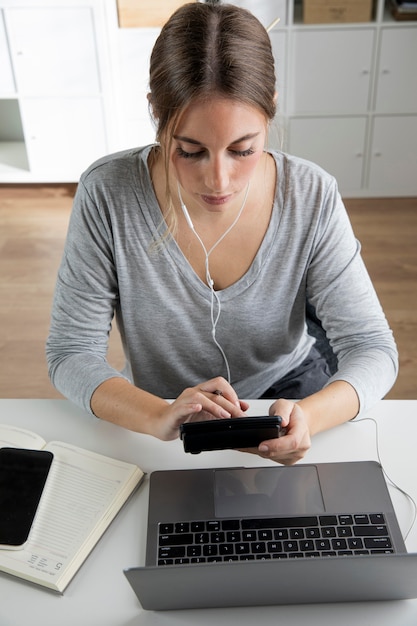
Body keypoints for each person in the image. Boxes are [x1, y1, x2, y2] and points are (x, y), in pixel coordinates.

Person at [46, 2, 398, 465]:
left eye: (243, 149)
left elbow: (372, 348)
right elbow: (70, 352)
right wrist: (157, 415)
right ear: (156, 113)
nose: (219, 181)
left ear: (271, 106)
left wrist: (310, 416)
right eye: (190, 151)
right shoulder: (108, 193)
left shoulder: (311, 193)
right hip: (164, 408)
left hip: (289, 394)